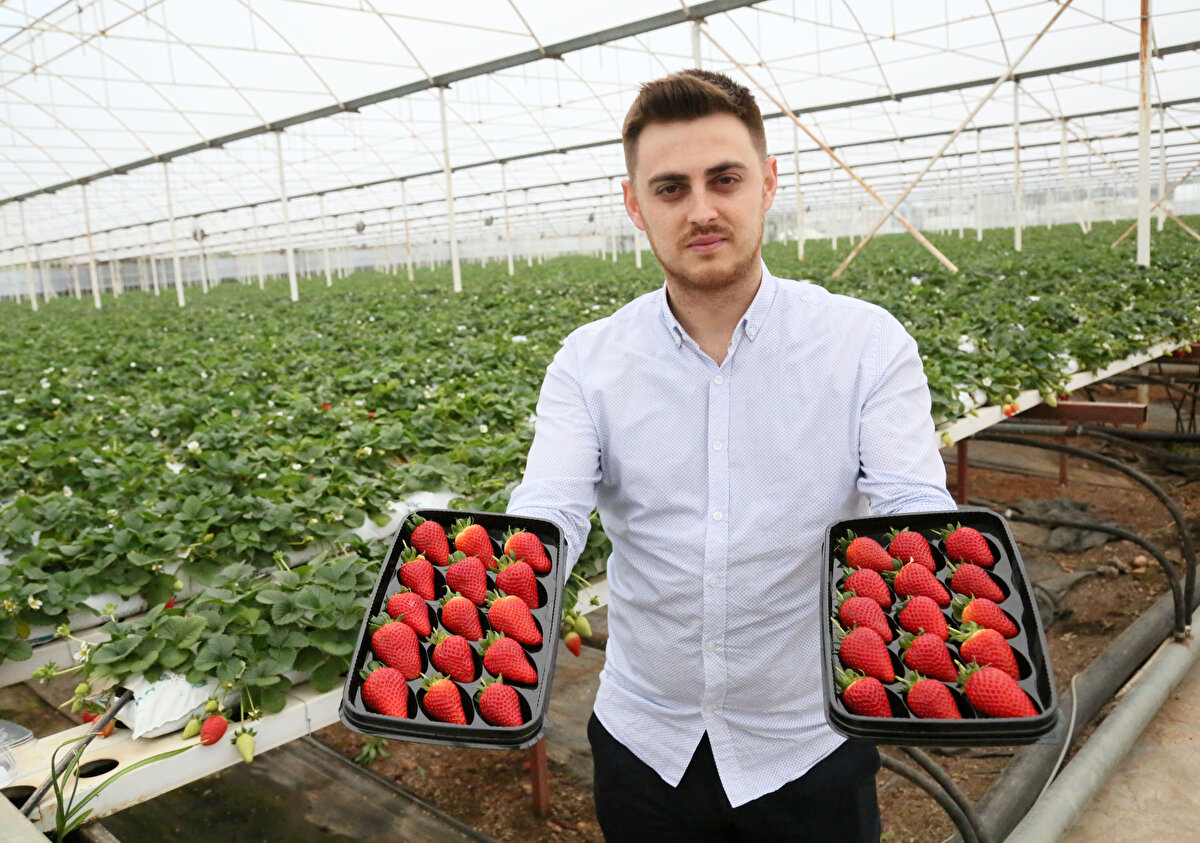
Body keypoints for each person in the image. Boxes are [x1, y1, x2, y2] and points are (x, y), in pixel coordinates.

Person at [507, 69, 955, 842]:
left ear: (768, 183)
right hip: (646, 745)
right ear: (634, 205)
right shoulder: (590, 360)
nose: (702, 209)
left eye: (725, 179)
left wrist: (952, 602)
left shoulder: (864, 344)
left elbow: (909, 504)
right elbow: (549, 511)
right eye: (672, 188)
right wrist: (482, 605)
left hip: (808, 744)